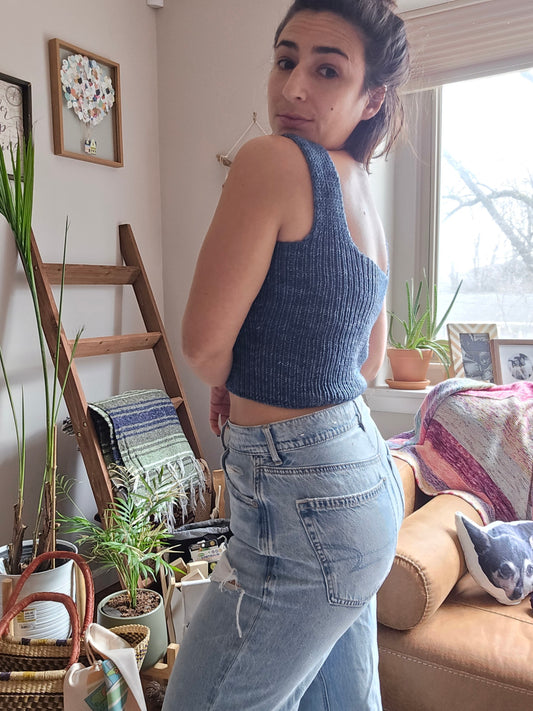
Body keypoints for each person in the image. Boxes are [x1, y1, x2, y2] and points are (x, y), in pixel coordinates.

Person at [162, 1, 410, 709]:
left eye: (327, 70)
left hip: (300, 506)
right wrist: (249, 373)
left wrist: (234, 375)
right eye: (284, 60)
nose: (293, 87)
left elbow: (202, 344)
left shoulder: (270, 160)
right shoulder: (360, 187)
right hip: (364, 484)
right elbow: (367, 365)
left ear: (372, 97)